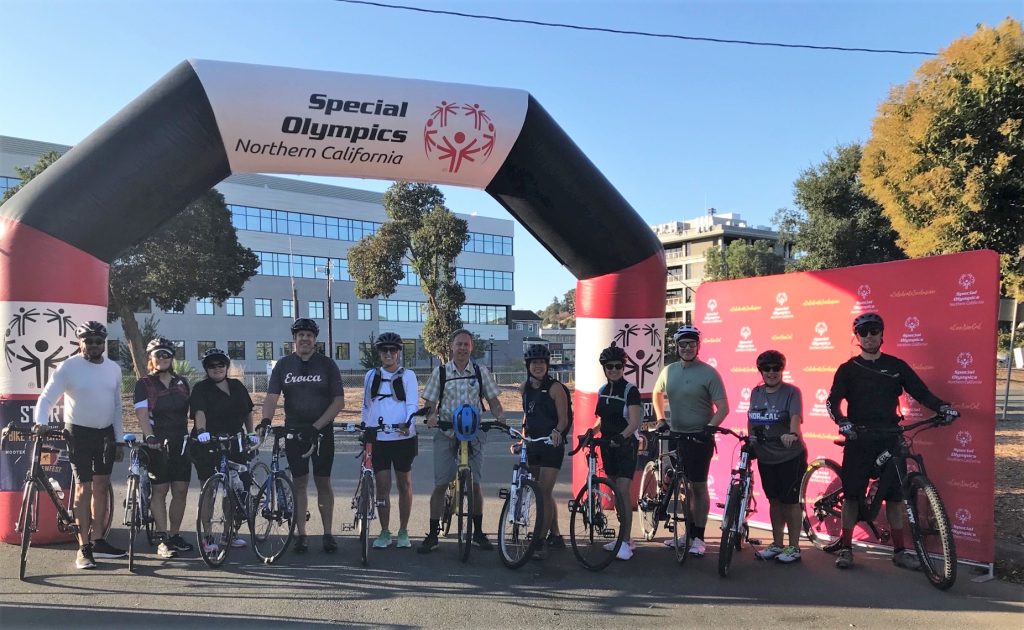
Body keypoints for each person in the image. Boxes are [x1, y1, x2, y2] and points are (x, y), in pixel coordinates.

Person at [827, 312, 957, 571]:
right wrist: (843, 422)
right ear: (857, 337)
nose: (869, 336)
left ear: (882, 334)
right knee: (853, 496)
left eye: (873, 330)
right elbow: (833, 402)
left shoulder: (897, 366)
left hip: (890, 437)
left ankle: (899, 551)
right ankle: (846, 547)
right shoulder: (848, 369)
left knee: (896, 497)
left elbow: (921, 392)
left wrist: (942, 407)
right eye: (863, 332)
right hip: (860, 438)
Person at [34, 321, 126, 569]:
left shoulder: (113, 368)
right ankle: (83, 547)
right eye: (89, 341)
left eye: (99, 341)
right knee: (83, 488)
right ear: (80, 342)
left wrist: (119, 437)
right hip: (78, 433)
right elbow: (47, 398)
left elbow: (117, 406)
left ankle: (99, 540)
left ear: (104, 343)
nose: (94, 345)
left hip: (105, 433)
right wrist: (40, 422)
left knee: (102, 485)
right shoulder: (69, 367)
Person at [418, 328, 507, 554]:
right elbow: (430, 404)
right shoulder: (441, 372)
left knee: (475, 484)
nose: (462, 348)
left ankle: (477, 532)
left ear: (471, 347)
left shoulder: (480, 371)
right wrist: (431, 416)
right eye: (458, 344)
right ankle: (432, 533)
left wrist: (500, 417)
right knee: (440, 483)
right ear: (451, 346)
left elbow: (493, 400)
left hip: (474, 432)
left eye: (466, 345)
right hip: (447, 431)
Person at [261, 318, 345, 554]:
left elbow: (339, 401)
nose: (305, 339)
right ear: (294, 339)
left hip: (321, 431)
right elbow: (271, 397)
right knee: (299, 482)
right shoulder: (284, 365)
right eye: (301, 335)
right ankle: (301, 534)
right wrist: (266, 421)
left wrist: (317, 427)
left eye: (309, 335)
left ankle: (328, 533)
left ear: (315, 340)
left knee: (323, 482)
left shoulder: (327, 364)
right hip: (294, 431)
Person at [652, 324, 729, 557]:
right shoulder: (669, 371)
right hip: (677, 436)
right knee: (683, 486)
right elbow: (657, 393)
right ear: (677, 346)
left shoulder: (708, 373)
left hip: (699, 438)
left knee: (698, 486)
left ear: (698, 346)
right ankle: (687, 533)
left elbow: (723, 407)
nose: (687, 348)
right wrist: (660, 418)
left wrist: (709, 428)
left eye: (691, 344)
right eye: (683, 344)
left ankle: (699, 537)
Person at [190, 347, 257, 554]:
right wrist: (201, 431)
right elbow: (199, 412)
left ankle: (230, 533)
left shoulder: (237, 386)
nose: (217, 368)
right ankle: (208, 536)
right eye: (212, 365)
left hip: (234, 441)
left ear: (227, 367)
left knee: (233, 490)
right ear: (206, 369)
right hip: (208, 441)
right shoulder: (201, 388)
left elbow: (247, 412)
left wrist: (251, 432)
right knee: (208, 490)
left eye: (221, 364)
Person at [134, 337, 193, 558]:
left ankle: (175, 535)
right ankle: (162, 538)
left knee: (181, 490)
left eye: (166, 354)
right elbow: (141, 414)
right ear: (151, 358)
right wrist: (150, 437)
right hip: (157, 442)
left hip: (181, 441)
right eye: (157, 354)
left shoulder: (182, 382)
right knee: (160, 490)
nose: (162, 358)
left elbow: (193, 412)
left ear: (172, 358)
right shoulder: (144, 384)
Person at [362, 332, 420, 550]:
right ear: (379, 353)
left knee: (404, 484)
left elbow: (412, 404)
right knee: (382, 486)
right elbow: (366, 405)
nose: (388, 354)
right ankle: (384, 531)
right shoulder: (370, 375)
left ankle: (403, 530)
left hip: (402, 438)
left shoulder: (408, 376)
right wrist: (364, 427)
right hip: (378, 439)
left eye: (392, 350)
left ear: (398, 353)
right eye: (384, 350)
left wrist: (408, 424)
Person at [747, 350, 806, 564]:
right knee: (774, 501)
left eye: (776, 368)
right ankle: (777, 543)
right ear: (761, 371)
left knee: (790, 502)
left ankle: (794, 547)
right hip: (766, 456)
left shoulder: (792, 392)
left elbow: (795, 417)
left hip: (789, 456)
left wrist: (792, 433)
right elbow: (752, 419)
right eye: (767, 369)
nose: (771, 373)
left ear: (782, 370)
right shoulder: (756, 392)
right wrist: (751, 439)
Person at [591, 345, 642, 560]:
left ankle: (625, 541)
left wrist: (622, 437)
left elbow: (635, 420)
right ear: (604, 368)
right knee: (614, 492)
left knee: (622, 492)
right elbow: (602, 421)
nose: (613, 370)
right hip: (607, 446)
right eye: (609, 366)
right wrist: (590, 432)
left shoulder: (630, 391)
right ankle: (624, 538)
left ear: (623, 368)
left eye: (617, 366)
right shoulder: (603, 391)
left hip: (625, 447)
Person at [520, 344, 569, 559]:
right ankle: (556, 535)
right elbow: (527, 416)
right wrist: (522, 438)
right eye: (534, 362)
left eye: (541, 362)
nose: (538, 366)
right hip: (533, 443)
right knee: (543, 493)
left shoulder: (555, 388)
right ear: (528, 365)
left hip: (551, 445)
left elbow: (564, 418)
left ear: (547, 365)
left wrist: (558, 432)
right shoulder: (525, 388)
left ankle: (538, 540)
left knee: (543, 492)